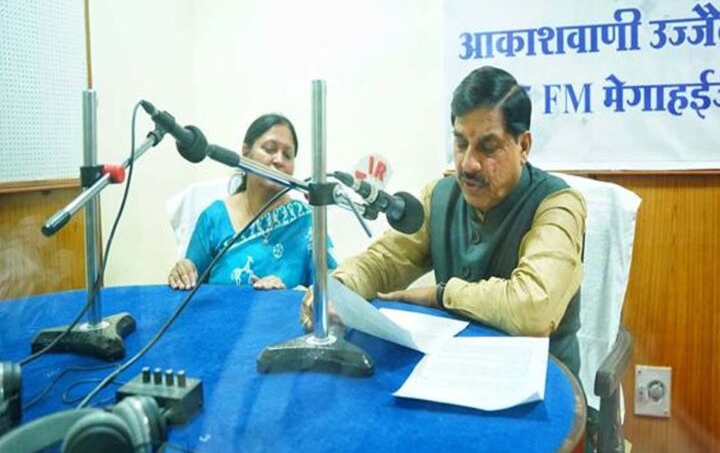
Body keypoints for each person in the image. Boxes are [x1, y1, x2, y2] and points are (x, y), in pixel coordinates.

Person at [300, 66, 586, 379]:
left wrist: (441, 296)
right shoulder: (439, 197)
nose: (469, 164)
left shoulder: (558, 205)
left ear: (524, 146)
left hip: (542, 382)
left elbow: (534, 309)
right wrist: (339, 288)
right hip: (456, 372)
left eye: (488, 147)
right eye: (461, 144)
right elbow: (383, 263)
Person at [168, 113, 336, 291]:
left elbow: (334, 289)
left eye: (287, 155)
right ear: (246, 152)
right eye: (270, 149)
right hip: (222, 310)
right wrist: (181, 273)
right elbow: (188, 290)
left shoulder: (306, 222)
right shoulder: (214, 218)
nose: (279, 160)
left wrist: (287, 296)